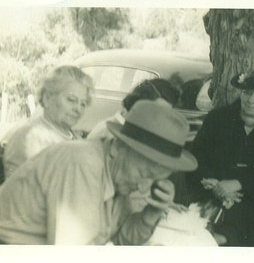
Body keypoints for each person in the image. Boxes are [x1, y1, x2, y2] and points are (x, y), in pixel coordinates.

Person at [0, 100, 197, 245]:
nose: (144, 187)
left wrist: (151, 213)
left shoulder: (118, 172)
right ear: (118, 147)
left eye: (156, 179)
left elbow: (120, 241)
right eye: (145, 174)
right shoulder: (82, 164)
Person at [186, 69, 254, 247]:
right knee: (223, 221)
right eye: (247, 93)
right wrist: (215, 185)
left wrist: (238, 183)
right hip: (212, 190)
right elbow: (197, 157)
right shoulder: (217, 119)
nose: (251, 100)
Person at [2, 65, 94, 179]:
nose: (78, 109)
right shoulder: (28, 137)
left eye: (83, 103)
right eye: (71, 100)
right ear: (47, 98)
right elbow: (17, 190)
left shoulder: (76, 138)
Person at [87, 78, 180, 139]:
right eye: (156, 112)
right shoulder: (106, 132)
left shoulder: (141, 130)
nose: (160, 119)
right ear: (139, 103)